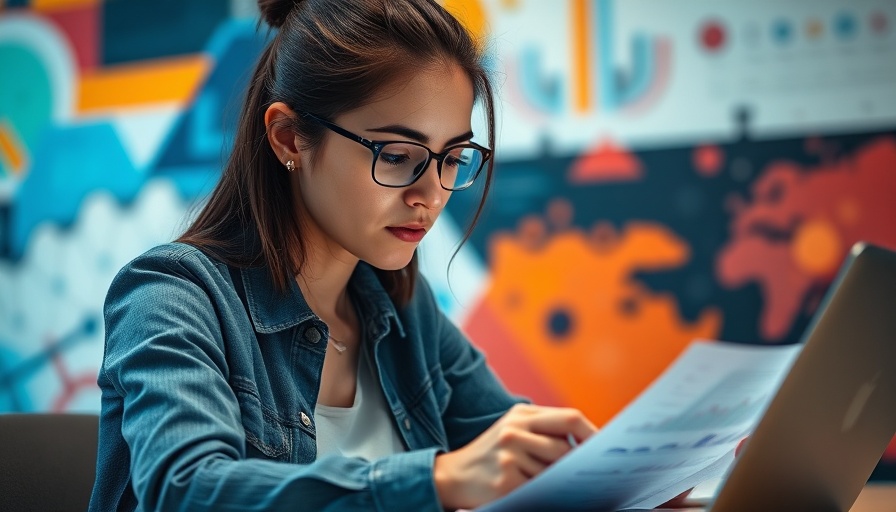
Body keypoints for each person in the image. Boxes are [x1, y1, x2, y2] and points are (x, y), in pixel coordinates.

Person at [89, 0, 597, 510]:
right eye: (398, 156)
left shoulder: (399, 306)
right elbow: (188, 490)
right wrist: (437, 480)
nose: (433, 194)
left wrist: (612, 476)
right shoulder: (169, 296)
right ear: (289, 138)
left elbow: (512, 454)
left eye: (454, 158)